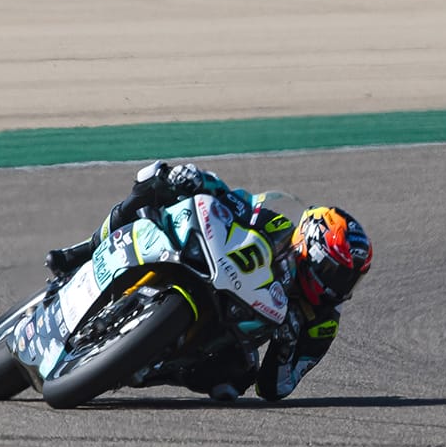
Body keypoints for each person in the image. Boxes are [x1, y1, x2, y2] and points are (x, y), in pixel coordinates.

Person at [45, 160, 372, 401]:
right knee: (155, 185)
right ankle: (82, 251)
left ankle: (151, 364)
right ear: (311, 246)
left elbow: (276, 388)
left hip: (228, 335)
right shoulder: (279, 228)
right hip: (215, 272)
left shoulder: (322, 323)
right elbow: (238, 203)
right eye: (336, 273)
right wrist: (198, 180)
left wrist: (285, 347)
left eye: (350, 280)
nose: (340, 287)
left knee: (235, 380)